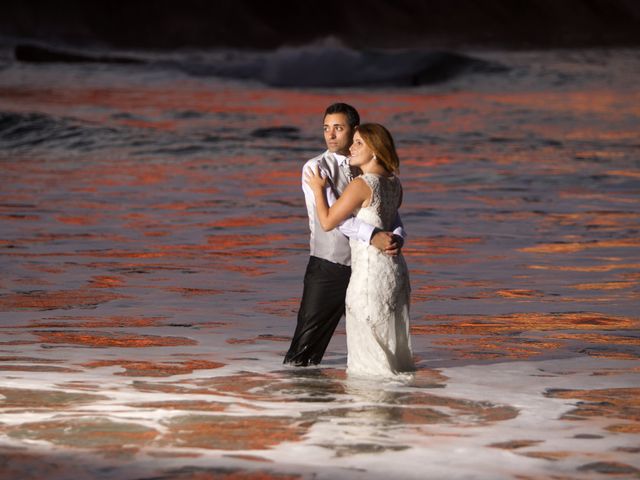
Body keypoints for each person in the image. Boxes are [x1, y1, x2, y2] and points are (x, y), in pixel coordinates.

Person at [283, 103, 406, 367]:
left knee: (373, 337)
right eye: (326, 128)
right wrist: (373, 235)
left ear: (355, 130)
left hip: (368, 268)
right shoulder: (316, 168)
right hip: (330, 266)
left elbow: (389, 213)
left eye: (338, 128)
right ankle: (302, 401)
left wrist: (397, 236)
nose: (331, 135)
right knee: (305, 347)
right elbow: (334, 219)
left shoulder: (366, 165)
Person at [305, 123, 414, 377]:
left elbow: (328, 221)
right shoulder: (395, 184)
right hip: (394, 271)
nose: (351, 148)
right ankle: (390, 403)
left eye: (358, 143)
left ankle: (370, 405)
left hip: (369, 274)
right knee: (388, 338)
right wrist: (398, 237)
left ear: (375, 150)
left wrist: (319, 190)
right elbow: (393, 222)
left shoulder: (362, 184)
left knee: (368, 346)